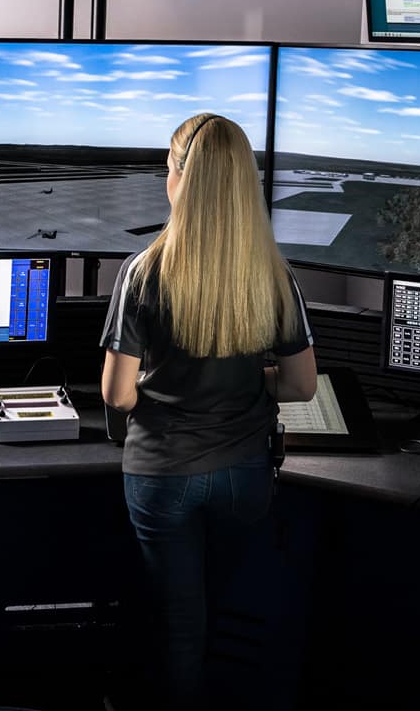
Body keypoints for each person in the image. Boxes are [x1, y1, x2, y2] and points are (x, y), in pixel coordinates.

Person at [99, 113, 317, 709]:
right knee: (216, 609)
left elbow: (117, 396)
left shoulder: (144, 271)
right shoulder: (276, 275)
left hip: (163, 473)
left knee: (177, 625)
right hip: (245, 476)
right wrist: (247, 379)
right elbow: (301, 385)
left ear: (179, 177)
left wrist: (164, 385)